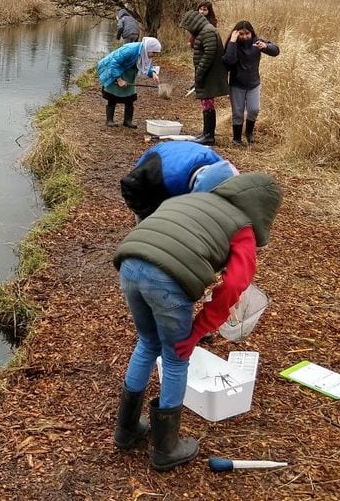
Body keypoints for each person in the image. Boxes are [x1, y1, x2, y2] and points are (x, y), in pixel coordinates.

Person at [112, 172, 282, 471]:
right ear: (262, 210)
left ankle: (126, 430)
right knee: (177, 357)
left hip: (129, 262)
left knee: (148, 342)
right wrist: (199, 330)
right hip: (166, 278)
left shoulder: (193, 199)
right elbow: (233, 287)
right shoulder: (243, 229)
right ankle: (167, 448)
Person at [120, 141, 236, 221]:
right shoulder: (162, 175)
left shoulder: (221, 167)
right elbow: (130, 187)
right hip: (159, 165)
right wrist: (149, 216)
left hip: (184, 156)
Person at [223, 21, 280, 146]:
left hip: (253, 83)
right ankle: (236, 138)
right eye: (241, 34)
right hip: (236, 84)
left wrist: (266, 46)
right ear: (236, 34)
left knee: (254, 110)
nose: (244, 36)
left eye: (247, 33)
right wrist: (232, 40)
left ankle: (249, 133)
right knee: (237, 112)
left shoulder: (257, 42)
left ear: (251, 32)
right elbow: (229, 60)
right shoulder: (233, 45)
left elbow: (276, 51)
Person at [181, 8, 229, 145]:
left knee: (208, 103)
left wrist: (200, 73)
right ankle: (206, 133)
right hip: (208, 73)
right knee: (206, 102)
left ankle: (209, 136)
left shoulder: (207, 31)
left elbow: (209, 53)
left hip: (210, 74)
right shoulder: (205, 30)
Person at [96, 37, 162, 128]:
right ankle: (109, 120)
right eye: (154, 53)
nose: (154, 55)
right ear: (148, 48)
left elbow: (147, 64)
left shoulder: (145, 51)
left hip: (129, 73)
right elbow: (114, 63)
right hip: (115, 71)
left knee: (130, 98)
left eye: (156, 53)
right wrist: (119, 80)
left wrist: (153, 73)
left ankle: (127, 121)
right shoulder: (130, 50)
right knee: (112, 97)